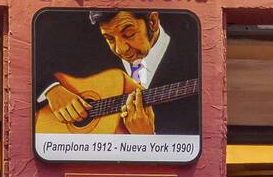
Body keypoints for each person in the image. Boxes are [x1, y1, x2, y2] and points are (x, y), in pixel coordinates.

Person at [38, 9, 200, 135]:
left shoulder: (195, 61)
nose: (120, 48)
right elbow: (24, 55)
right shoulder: (84, 46)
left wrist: (148, 139)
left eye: (129, 34)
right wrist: (51, 89)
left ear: (152, 22)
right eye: (109, 38)